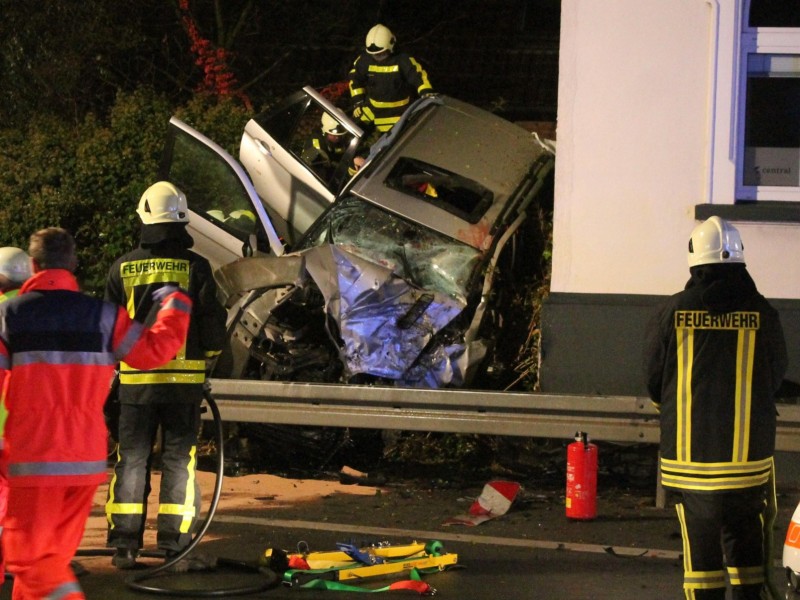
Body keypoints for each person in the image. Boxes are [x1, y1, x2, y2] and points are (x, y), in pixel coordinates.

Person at [0, 227, 192, 599]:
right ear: (73, 263)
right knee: (48, 563)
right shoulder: (104, 317)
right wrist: (175, 305)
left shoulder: (11, 316)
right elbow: (152, 353)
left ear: (35, 264)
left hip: (34, 458)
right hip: (85, 461)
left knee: (30, 562)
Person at [643, 216, 788, 600]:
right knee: (746, 541)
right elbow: (775, 377)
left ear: (695, 260)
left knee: (701, 553)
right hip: (748, 463)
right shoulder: (763, 313)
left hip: (692, 464)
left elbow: (654, 379)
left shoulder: (671, 313)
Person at [104, 181, 227, 571]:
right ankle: (175, 548)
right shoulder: (196, 267)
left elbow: (108, 329)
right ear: (181, 219)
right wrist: (208, 360)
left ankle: (125, 546)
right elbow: (212, 325)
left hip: (135, 387)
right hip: (183, 388)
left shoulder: (121, 268)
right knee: (179, 462)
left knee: (132, 460)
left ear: (144, 217)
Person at [349, 24, 434, 133]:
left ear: (391, 46)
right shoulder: (365, 60)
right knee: (353, 131)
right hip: (371, 110)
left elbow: (418, 76)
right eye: (375, 55)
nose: (378, 57)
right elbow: (355, 80)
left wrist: (426, 93)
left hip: (400, 113)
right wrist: (358, 102)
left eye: (381, 54)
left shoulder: (402, 60)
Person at [301, 112, 350, 183]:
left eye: (339, 135)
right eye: (334, 134)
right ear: (325, 132)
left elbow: (343, 155)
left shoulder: (340, 142)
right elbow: (311, 164)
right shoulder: (315, 141)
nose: (337, 137)